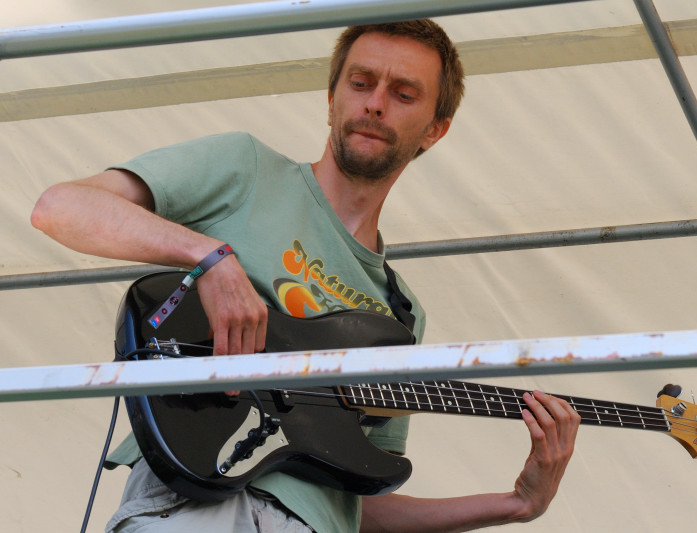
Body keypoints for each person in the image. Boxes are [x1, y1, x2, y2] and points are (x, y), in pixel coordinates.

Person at [31, 19, 580, 533]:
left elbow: (360, 500)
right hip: (201, 505)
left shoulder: (401, 313)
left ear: (435, 129)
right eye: (361, 82)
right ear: (330, 99)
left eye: (403, 93)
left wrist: (516, 504)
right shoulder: (245, 169)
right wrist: (209, 257)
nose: (375, 104)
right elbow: (60, 207)